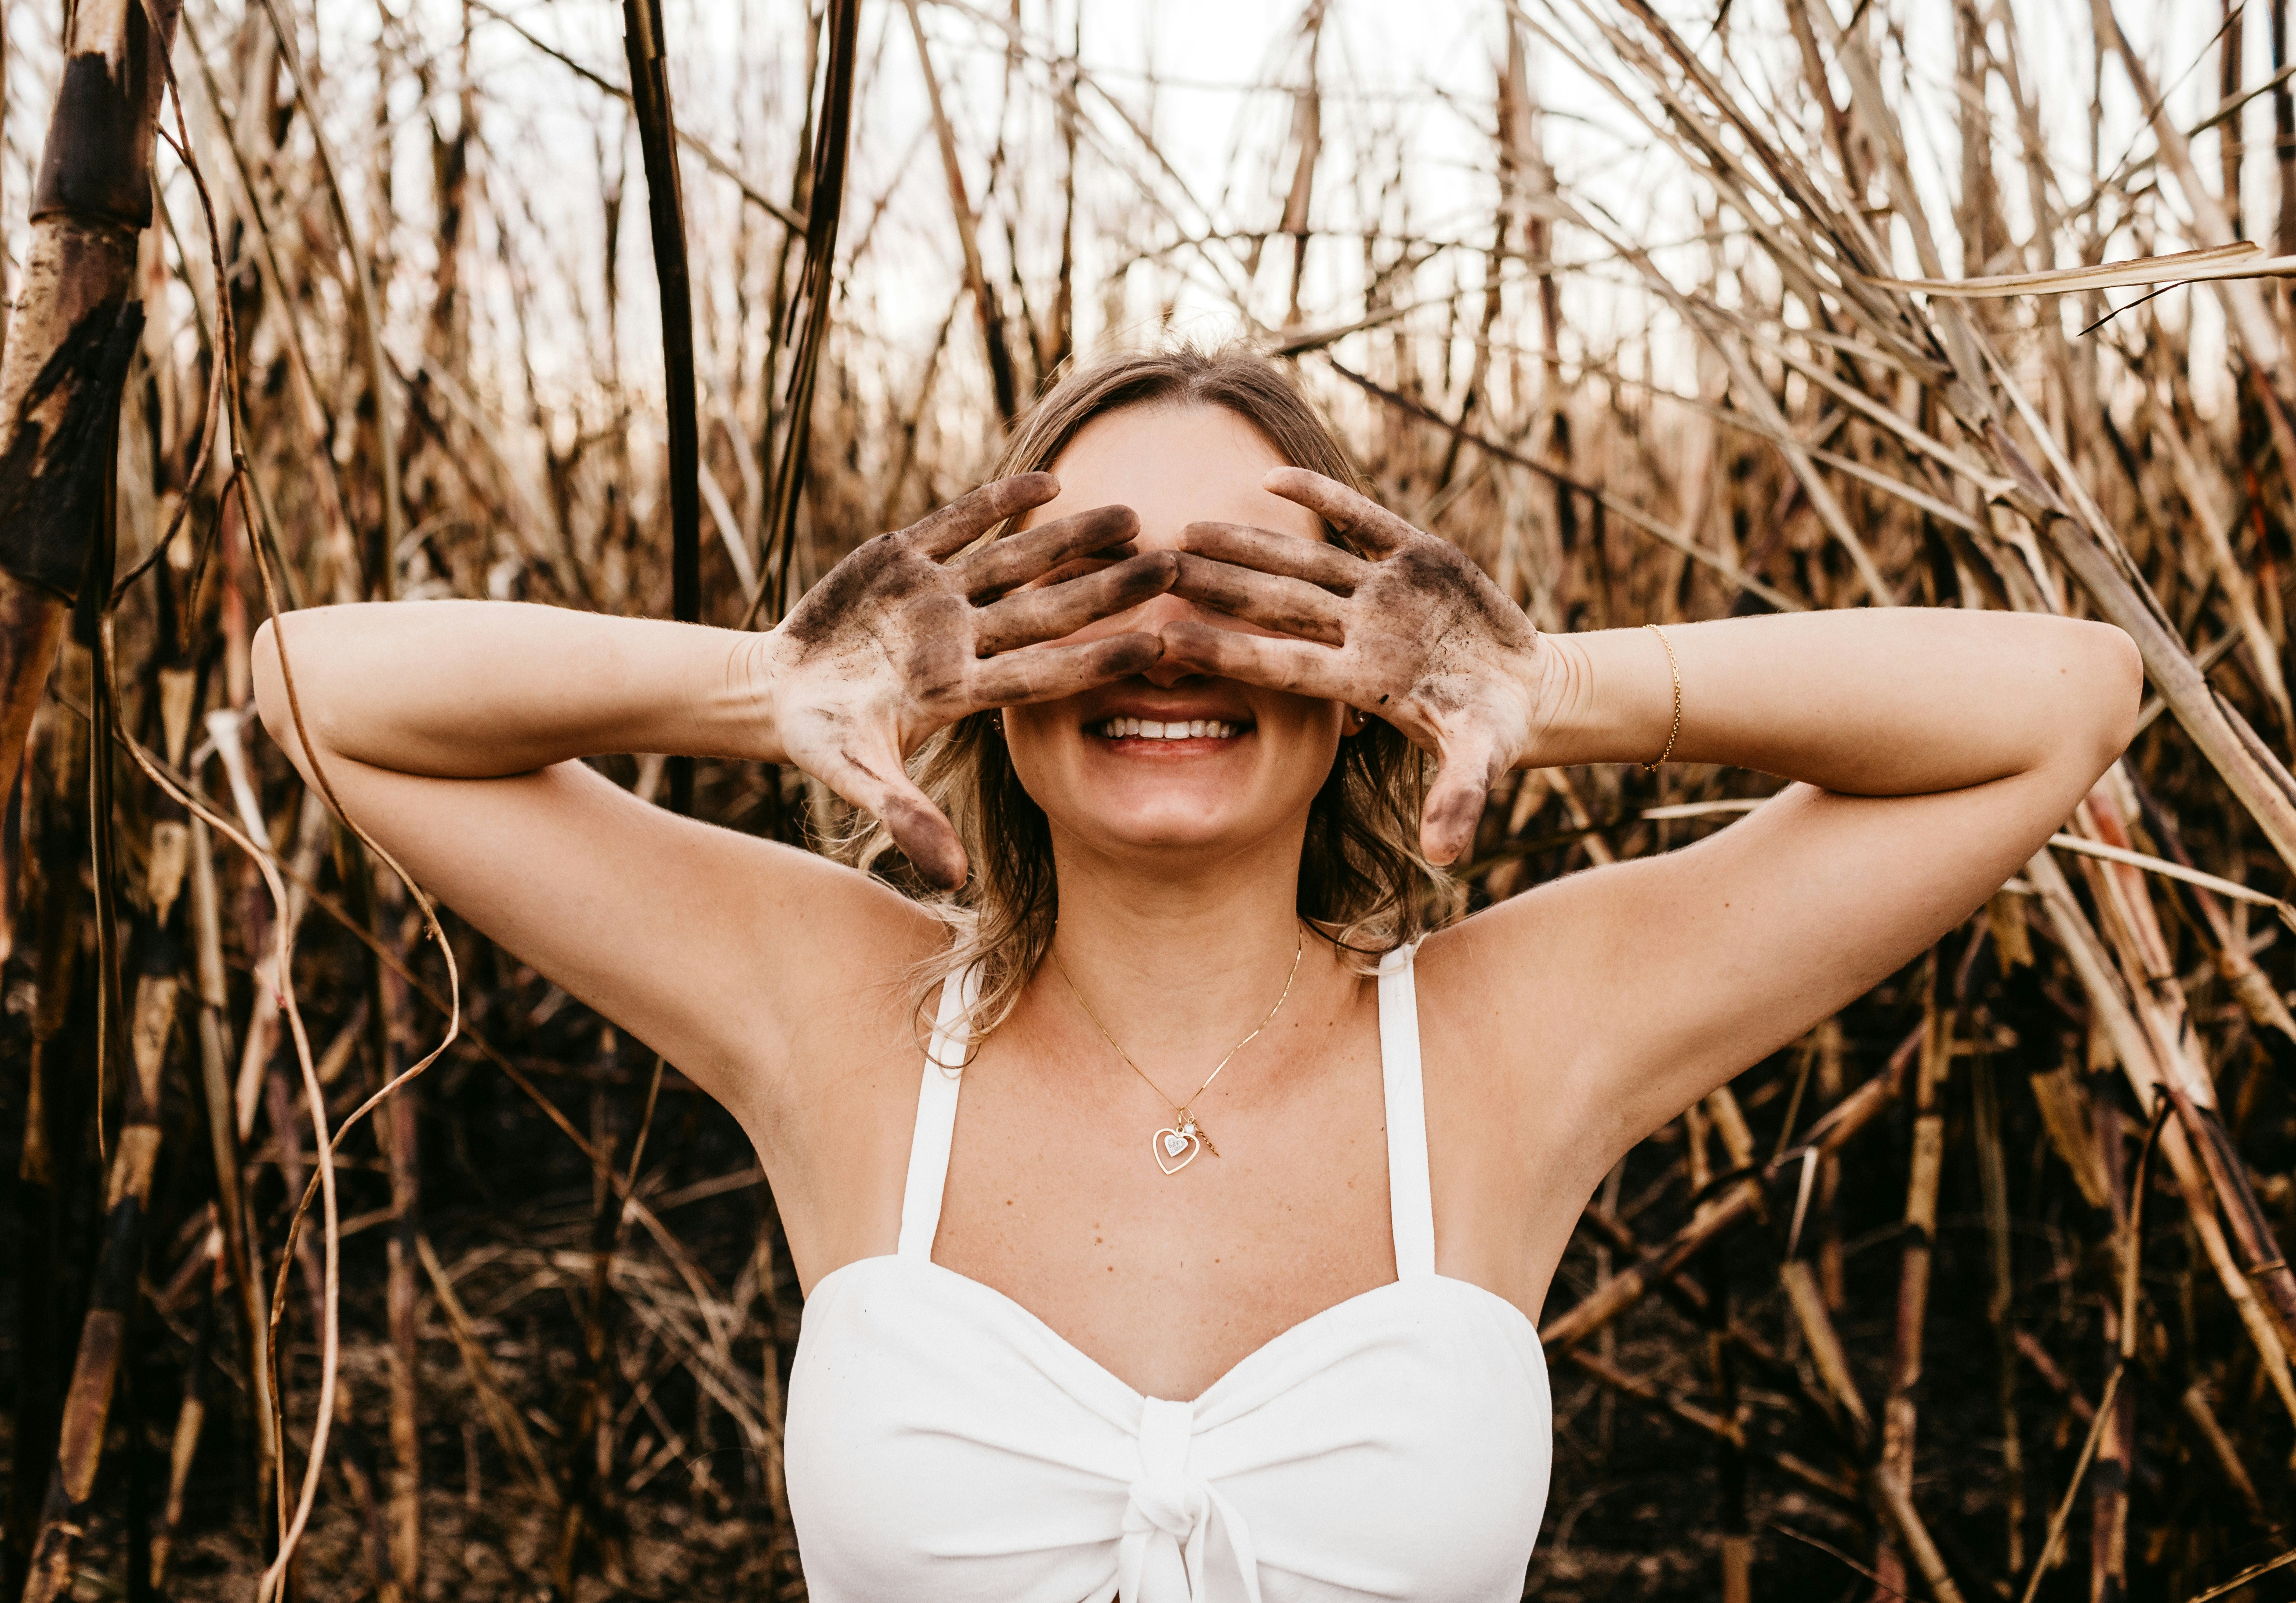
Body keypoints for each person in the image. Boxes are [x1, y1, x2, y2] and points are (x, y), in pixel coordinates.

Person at [253, 345, 2141, 1601]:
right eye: (1091, 584)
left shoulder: (1511, 1040)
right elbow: (320, 691)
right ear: (980, 649)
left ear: (1376, 656)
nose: (1170, 646)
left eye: (1256, 589)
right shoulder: (837, 1011)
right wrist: (777, 679)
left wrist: (1550, 688)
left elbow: (2061, 701)